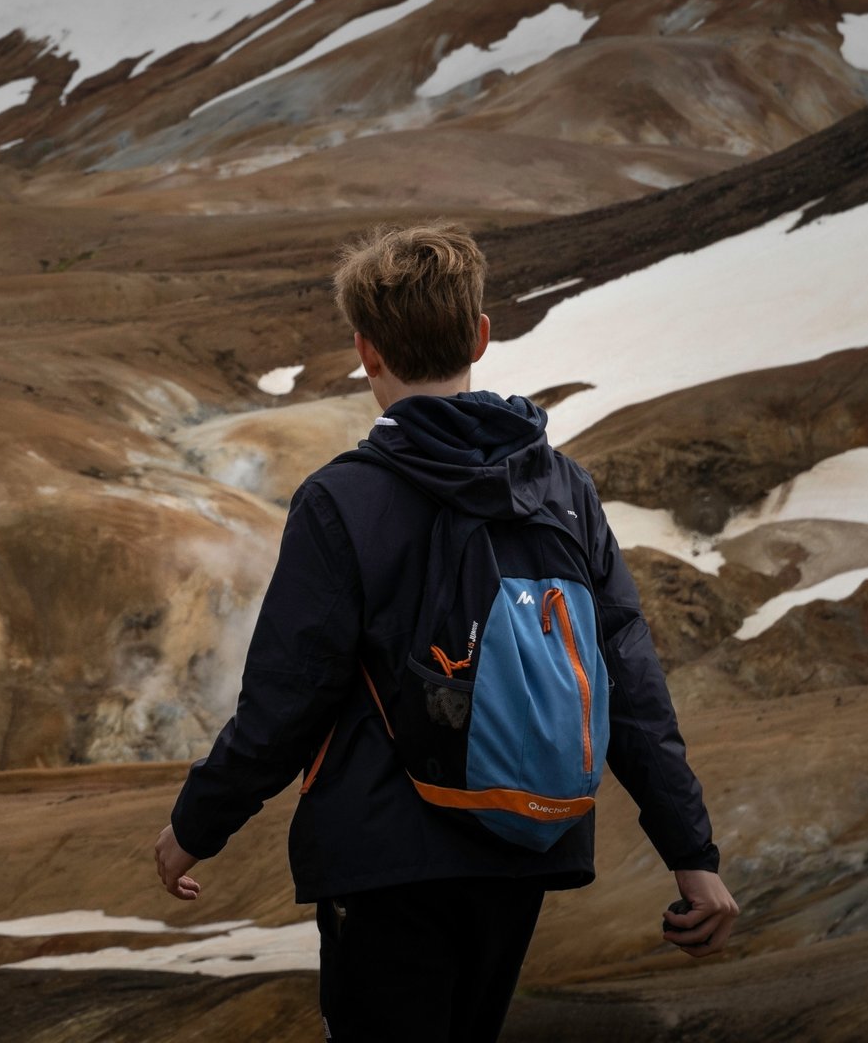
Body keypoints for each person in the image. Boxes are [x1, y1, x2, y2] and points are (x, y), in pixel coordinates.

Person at [154, 224, 737, 1043]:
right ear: (481, 335)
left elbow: (288, 697)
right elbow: (628, 680)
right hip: (525, 846)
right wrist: (693, 856)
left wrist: (195, 827)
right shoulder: (561, 486)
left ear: (366, 351)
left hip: (384, 856)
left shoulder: (342, 500)